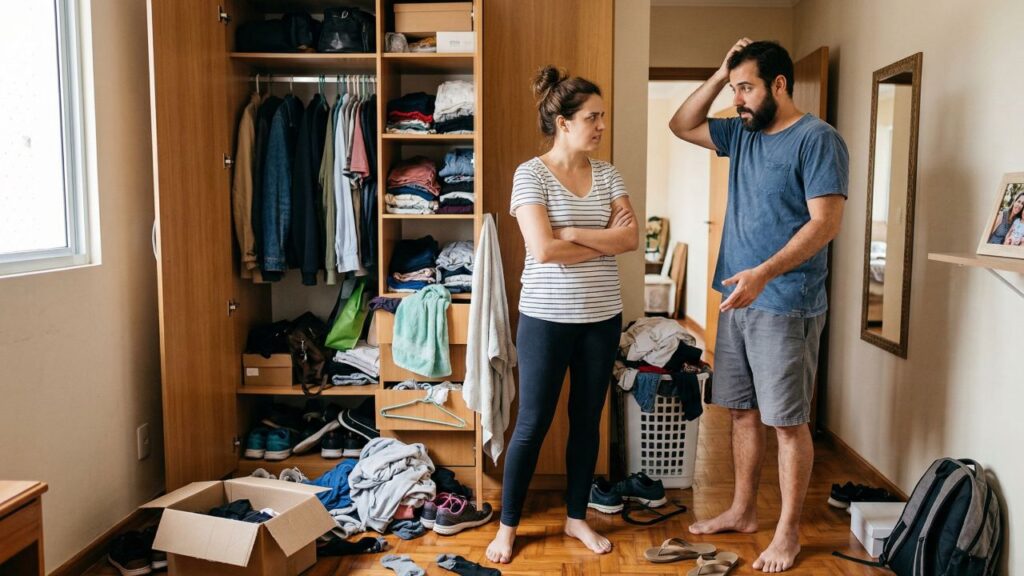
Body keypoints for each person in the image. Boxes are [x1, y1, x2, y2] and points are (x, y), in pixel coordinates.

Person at [668, 39, 849, 573]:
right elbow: (681, 123)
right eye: (733, 89)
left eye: (746, 88)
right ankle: (744, 510)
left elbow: (826, 223)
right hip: (736, 299)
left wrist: (764, 273)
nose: (737, 99)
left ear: (779, 85)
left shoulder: (817, 140)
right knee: (742, 412)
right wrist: (721, 69)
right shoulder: (740, 133)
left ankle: (788, 531)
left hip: (786, 302)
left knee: (787, 422)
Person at [485, 66, 639, 564]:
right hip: (546, 320)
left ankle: (577, 518)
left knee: (586, 421)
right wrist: (594, 241)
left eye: (602, 117)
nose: (600, 126)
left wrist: (572, 233)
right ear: (563, 122)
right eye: (592, 117)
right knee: (531, 422)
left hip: (601, 317)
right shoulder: (530, 174)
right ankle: (508, 527)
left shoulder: (609, 173)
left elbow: (631, 239)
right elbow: (543, 251)